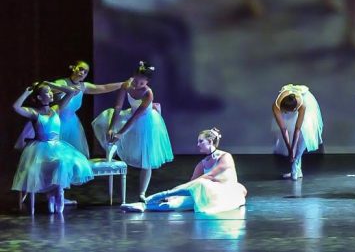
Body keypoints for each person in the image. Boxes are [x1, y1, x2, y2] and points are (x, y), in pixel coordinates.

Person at [92, 61, 174, 200]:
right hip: (130, 114)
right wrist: (112, 127)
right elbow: (118, 107)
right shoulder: (126, 85)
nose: (137, 85)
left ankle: (142, 192)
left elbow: (136, 117)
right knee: (107, 122)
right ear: (133, 76)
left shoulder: (148, 93)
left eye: (141, 83)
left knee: (147, 157)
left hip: (146, 121)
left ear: (147, 82)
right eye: (135, 81)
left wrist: (120, 133)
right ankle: (110, 154)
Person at [11, 83, 94, 214]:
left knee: (63, 162)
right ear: (39, 97)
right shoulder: (34, 113)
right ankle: (53, 193)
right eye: (47, 92)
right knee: (54, 164)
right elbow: (16, 107)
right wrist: (26, 93)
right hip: (40, 149)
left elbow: (71, 92)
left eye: (51, 92)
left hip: (57, 146)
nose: (51, 94)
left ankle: (57, 192)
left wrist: (49, 84)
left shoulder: (56, 108)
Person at [125, 128, 246, 214]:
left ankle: (158, 196)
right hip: (206, 195)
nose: (198, 144)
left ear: (210, 142)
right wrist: (175, 193)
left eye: (200, 141)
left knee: (201, 183)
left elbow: (209, 176)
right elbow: (191, 184)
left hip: (224, 194)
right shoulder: (202, 164)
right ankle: (144, 206)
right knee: (175, 203)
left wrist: (169, 193)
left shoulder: (225, 156)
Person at [15, 61, 123, 157]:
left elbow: (104, 87)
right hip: (55, 120)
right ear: (73, 68)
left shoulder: (83, 86)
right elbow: (42, 88)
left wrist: (123, 84)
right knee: (54, 154)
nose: (82, 73)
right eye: (80, 69)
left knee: (72, 154)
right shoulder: (61, 83)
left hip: (71, 122)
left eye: (85, 72)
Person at [273, 84, 324, 181]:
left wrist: (293, 151)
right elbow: (284, 130)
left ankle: (295, 164)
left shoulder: (302, 104)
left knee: (305, 132)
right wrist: (290, 149)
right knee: (289, 131)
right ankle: (297, 169)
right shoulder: (276, 106)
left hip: (307, 102)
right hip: (288, 105)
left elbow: (298, 129)